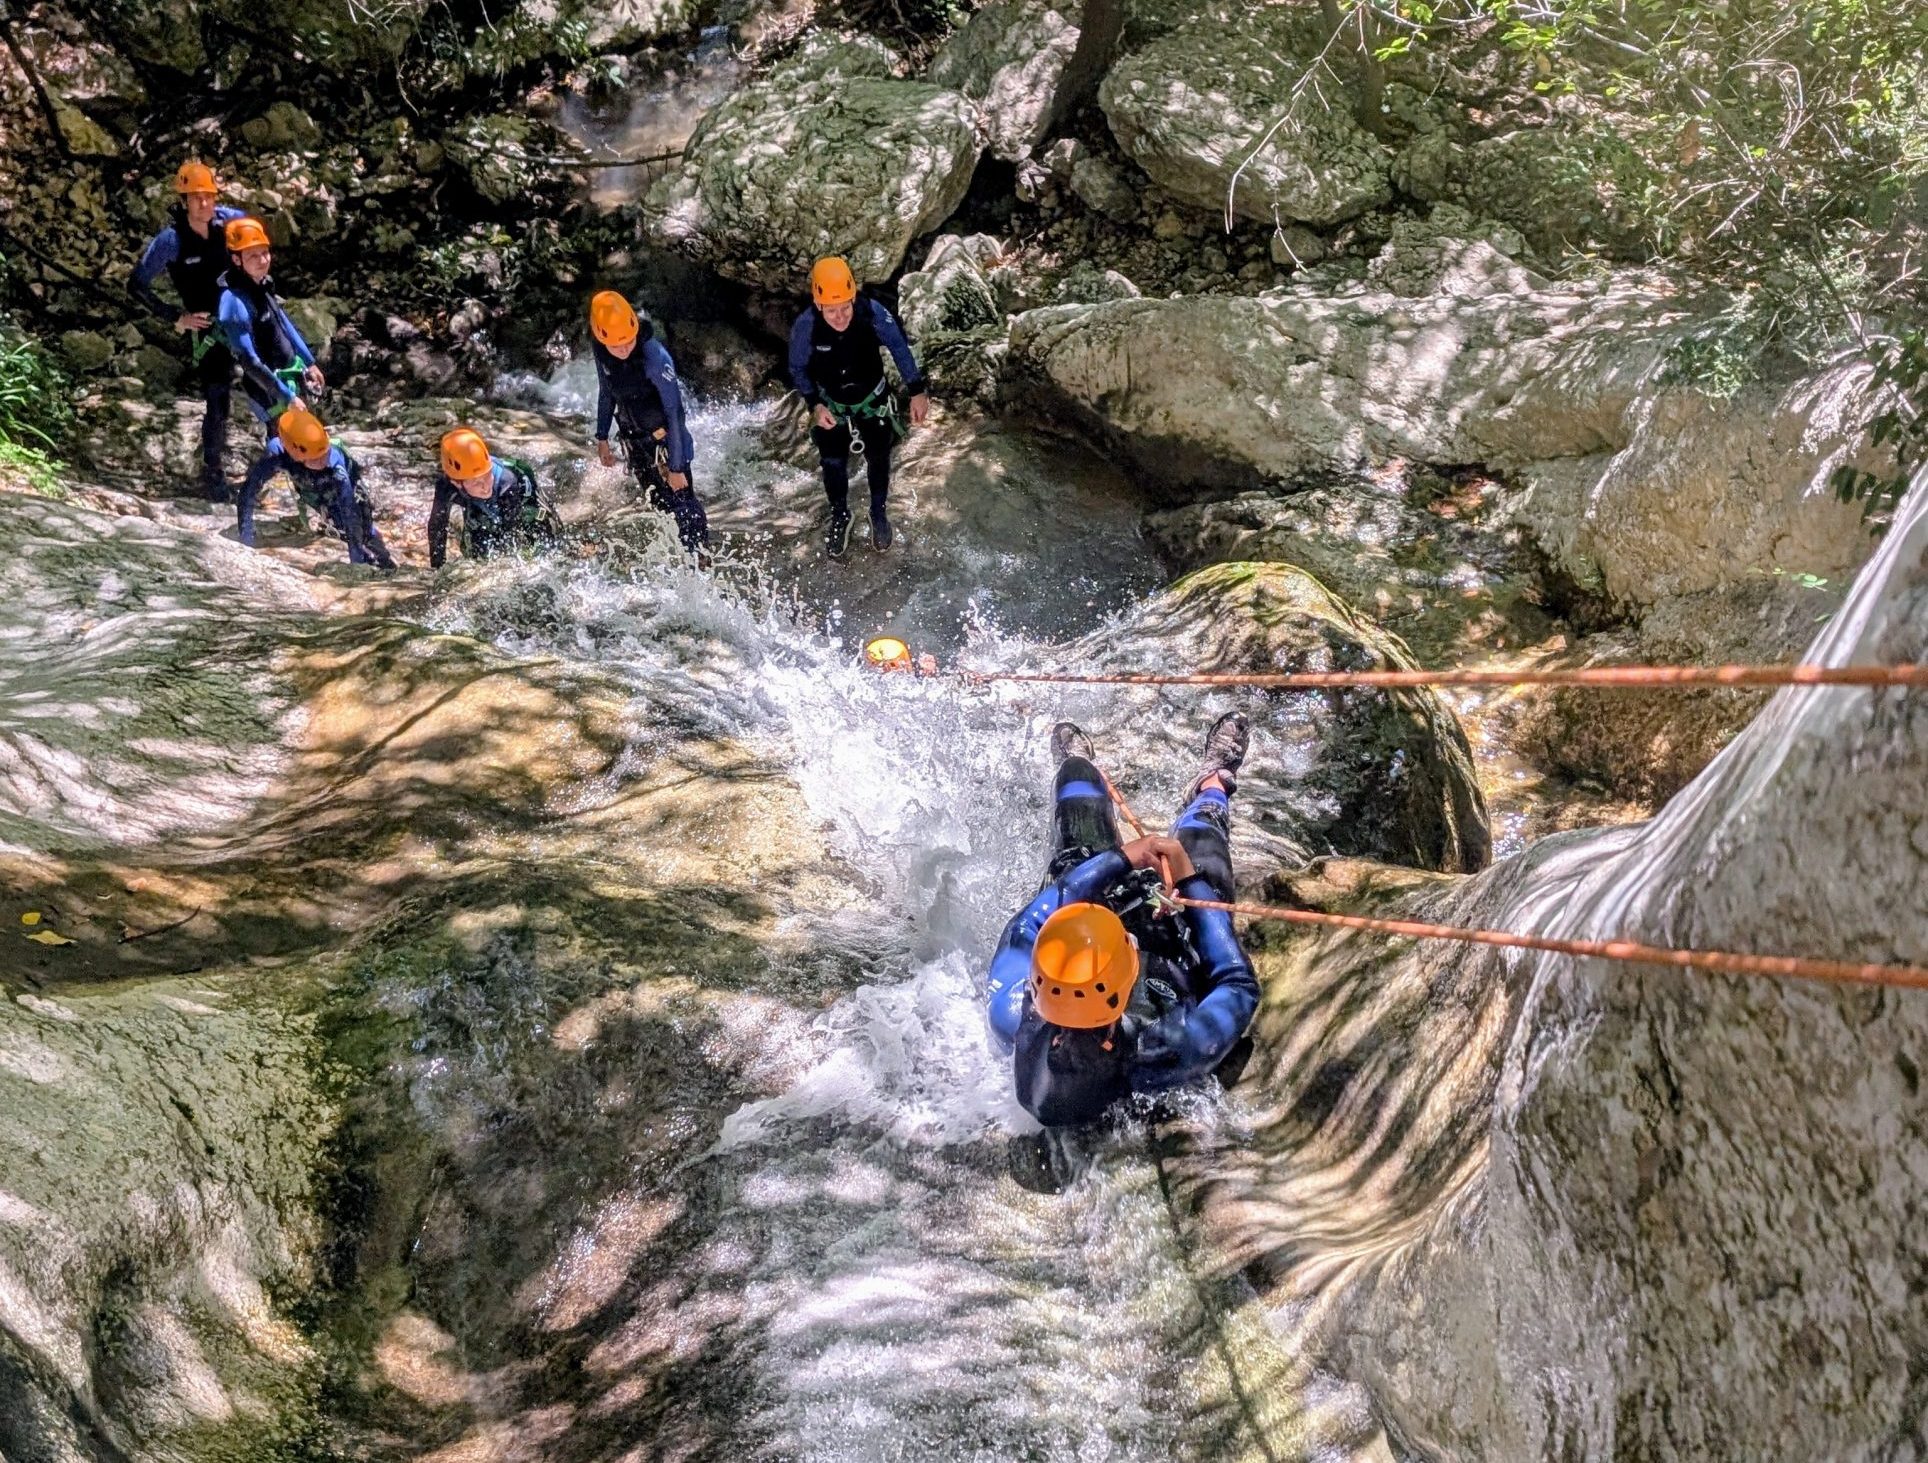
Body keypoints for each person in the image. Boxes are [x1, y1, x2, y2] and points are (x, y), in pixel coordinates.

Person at [985, 713, 1260, 1128]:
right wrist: (1189, 880)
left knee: (1077, 783)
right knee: (1204, 844)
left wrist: (1120, 860)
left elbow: (1024, 928)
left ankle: (1079, 763)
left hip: (1112, 896)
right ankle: (1214, 784)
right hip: (1172, 934)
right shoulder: (1170, 1048)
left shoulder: (1012, 1017)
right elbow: (1238, 984)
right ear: (1128, 964)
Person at [787, 256, 930, 558]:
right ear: (818, 304)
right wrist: (814, 404)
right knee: (833, 463)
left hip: (872, 401)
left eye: (844, 308)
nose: (840, 317)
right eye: (831, 310)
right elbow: (797, 368)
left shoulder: (871, 312)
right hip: (831, 404)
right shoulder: (807, 326)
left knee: (878, 459)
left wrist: (917, 390)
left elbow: (899, 348)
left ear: (853, 298)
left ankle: (878, 513)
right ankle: (840, 515)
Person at [128, 162, 250, 500]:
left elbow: (257, 238)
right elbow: (136, 284)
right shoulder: (170, 240)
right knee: (217, 398)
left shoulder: (228, 222)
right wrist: (174, 317)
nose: (204, 204)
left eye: (208, 197)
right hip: (206, 326)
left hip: (240, 316)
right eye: (196, 198)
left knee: (269, 384)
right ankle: (213, 474)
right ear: (183, 201)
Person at [588, 290, 708, 553]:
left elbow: (675, 411)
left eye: (628, 342)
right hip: (634, 439)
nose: (623, 349)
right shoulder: (601, 351)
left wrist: (676, 467)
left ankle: (701, 559)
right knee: (659, 504)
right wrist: (602, 437)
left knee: (683, 504)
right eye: (616, 345)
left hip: (663, 439)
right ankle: (678, 558)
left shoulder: (654, 357)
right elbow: (606, 391)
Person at [236, 408, 394, 568]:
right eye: (317, 459)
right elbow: (248, 491)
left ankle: (386, 564)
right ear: (291, 449)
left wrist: (357, 565)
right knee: (338, 526)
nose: (323, 461)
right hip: (311, 488)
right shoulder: (276, 453)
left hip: (346, 488)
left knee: (363, 531)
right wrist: (246, 539)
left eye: (324, 454)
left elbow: (351, 515)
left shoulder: (335, 465)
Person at [216, 216, 324, 429]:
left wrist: (308, 361)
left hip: (289, 379)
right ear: (237, 259)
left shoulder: (262, 284)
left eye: (265, 252)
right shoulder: (233, 303)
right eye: (253, 255)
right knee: (284, 448)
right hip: (269, 392)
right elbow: (250, 362)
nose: (263, 261)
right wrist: (287, 398)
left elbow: (281, 322)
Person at [427, 427, 561, 569]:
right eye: (476, 482)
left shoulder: (507, 481)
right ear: (456, 483)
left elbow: (510, 532)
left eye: (487, 476)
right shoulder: (446, 487)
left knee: (542, 536)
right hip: (479, 503)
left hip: (522, 501)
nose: (485, 486)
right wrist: (437, 568)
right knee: (475, 551)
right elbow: (437, 526)